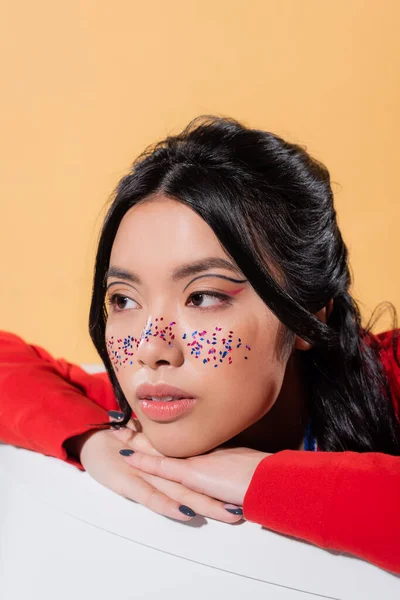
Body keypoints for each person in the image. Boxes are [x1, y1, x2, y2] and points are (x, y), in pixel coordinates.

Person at [1, 116, 399, 574]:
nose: (151, 348)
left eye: (203, 297)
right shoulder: (134, 418)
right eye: (124, 299)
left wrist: (260, 479)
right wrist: (92, 441)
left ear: (309, 315)